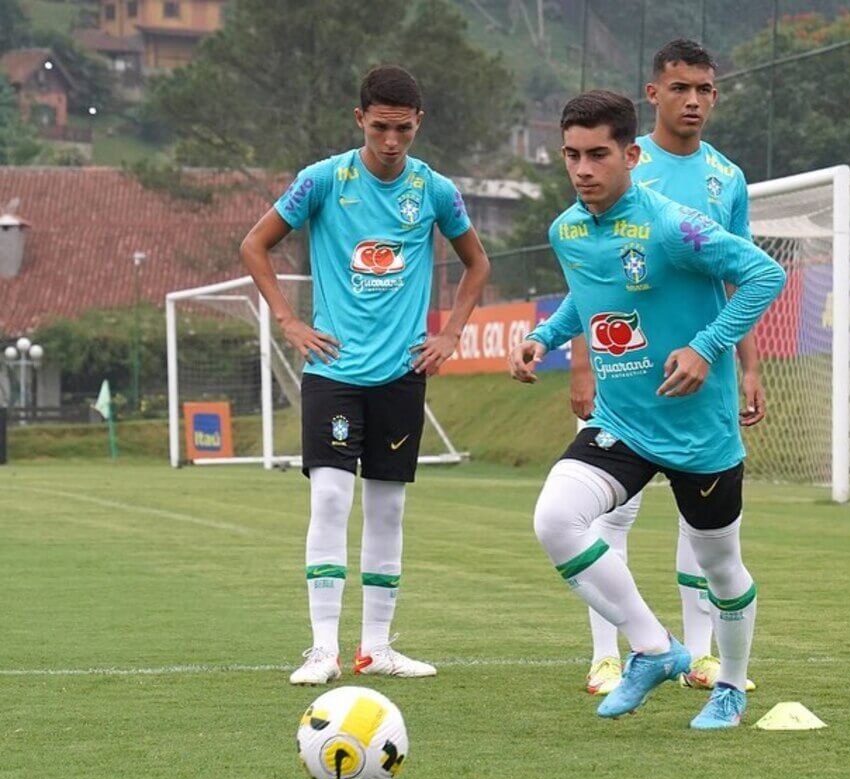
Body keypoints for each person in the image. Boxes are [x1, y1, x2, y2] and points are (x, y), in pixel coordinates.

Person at [509, 90, 784, 728]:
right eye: (572, 155)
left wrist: (706, 348)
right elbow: (588, 294)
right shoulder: (566, 229)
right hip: (623, 422)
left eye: (598, 155)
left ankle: (732, 688)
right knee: (556, 519)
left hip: (698, 431)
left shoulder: (672, 224)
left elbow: (764, 274)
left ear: (630, 154)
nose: (583, 169)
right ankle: (655, 649)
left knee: (719, 565)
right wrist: (544, 337)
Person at [241, 65, 490, 685]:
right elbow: (254, 244)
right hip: (334, 369)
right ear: (360, 120)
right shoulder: (323, 180)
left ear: (418, 124)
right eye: (380, 127)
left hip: (403, 373)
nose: (391, 141)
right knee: (330, 496)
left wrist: (452, 332)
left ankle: (375, 647)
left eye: (402, 129)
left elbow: (476, 263)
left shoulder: (435, 190)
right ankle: (323, 647)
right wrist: (289, 323)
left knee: (388, 509)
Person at [571, 39, 765, 697]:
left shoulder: (726, 179)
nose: (693, 100)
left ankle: (701, 653)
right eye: (680, 87)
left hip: (696, 381)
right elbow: (592, 280)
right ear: (653, 93)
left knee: (700, 524)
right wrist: (579, 363)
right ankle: (608, 653)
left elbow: (738, 280)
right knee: (605, 516)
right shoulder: (619, 161)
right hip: (622, 374)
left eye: (705, 89)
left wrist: (747, 365)